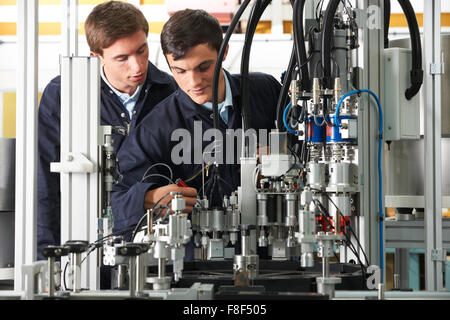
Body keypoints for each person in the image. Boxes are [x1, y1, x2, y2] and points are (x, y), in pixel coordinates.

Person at [110, 9, 281, 260]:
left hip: (274, 254)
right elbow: (117, 200)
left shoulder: (265, 91)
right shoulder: (157, 127)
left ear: (223, 53)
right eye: (179, 71)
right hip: (198, 265)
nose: (194, 82)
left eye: (204, 67)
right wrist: (149, 198)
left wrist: (283, 155)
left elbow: (307, 148)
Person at [37, 1, 177, 261]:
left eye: (142, 50)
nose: (137, 67)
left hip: (156, 245)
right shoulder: (64, 94)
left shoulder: (171, 94)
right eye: (122, 58)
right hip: (84, 244)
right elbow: (45, 183)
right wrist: (46, 259)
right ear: (96, 56)